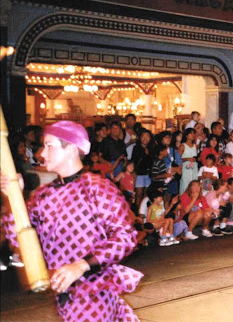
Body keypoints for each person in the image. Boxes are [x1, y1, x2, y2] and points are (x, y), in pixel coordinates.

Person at [0, 120, 142, 321]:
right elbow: (20, 244)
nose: (42, 153)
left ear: (72, 149)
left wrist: (82, 265)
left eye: (50, 146)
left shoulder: (97, 188)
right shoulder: (43, 195)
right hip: (65, 298)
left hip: (95, 295)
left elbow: (126, 237)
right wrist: (13, 198)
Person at [179, 128, 198, 194]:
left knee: (193, 183)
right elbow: (178, 159)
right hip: (186, 169)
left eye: (194, 133)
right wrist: (187, 159)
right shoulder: (183, 146)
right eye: (191, 133)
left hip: (193, 168)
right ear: (187, 135)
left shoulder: (195, 146)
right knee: (185, 184)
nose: (193, 135)